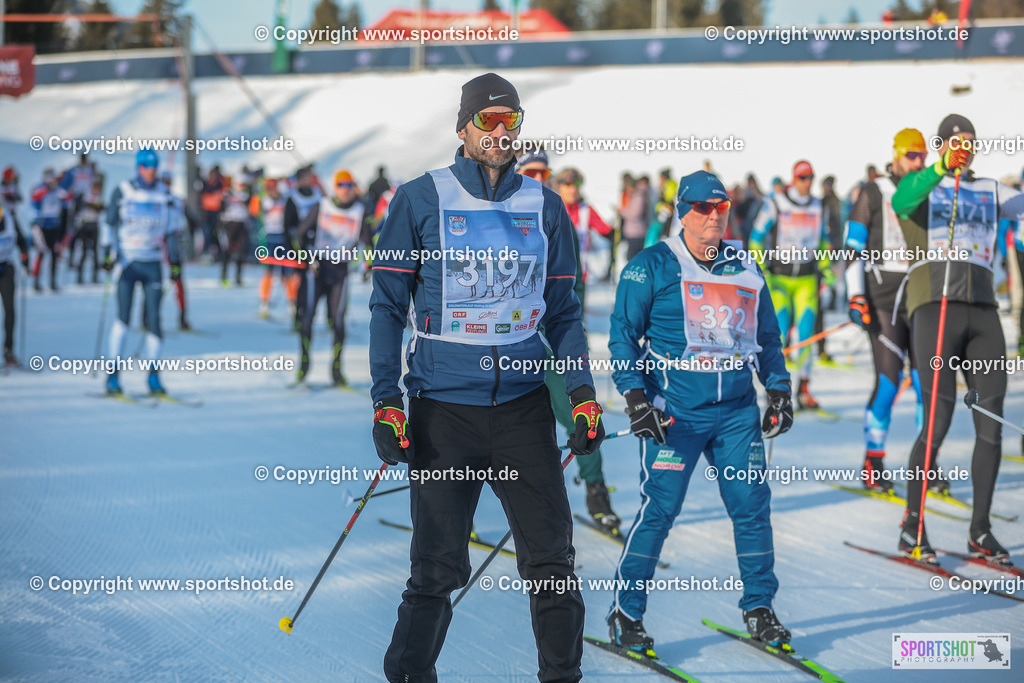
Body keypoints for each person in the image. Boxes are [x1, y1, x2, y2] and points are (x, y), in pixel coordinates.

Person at [369, 72, 604, 683]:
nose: (500, 132)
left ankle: (562, 677)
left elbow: (563, 312)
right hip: (443, 411)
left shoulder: (545, 205)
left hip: (524, 409)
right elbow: (387, 307)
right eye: (488, 121)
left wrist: (580, 393)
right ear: (464, 128)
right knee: (438, 567)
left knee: (552, 560)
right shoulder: (420, 198)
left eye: (511, 121)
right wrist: (385, 401)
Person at [607, 170, 793, 652]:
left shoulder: (745, 265)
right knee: (660, 510)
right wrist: (635, 398)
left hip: (735, 413)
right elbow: (622, 338)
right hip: (676, 415)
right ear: (681, 212)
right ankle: (626, 613)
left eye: (721, 207)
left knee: (752, 508)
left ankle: (760, 607)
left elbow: (767, 338)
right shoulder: (651, 265)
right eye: (703, 208)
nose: (714, 216)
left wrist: (778, 389)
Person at [893, 114, 1024, 562]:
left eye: (970, 141)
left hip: (983, 311)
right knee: (939, 419)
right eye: (955, 141)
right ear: (942, 144)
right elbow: (900, 199)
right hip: (936, 307)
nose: (964, 147)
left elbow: (1020, 204)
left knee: (992, 422)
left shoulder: (988, 188)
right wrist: (938, 167)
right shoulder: (928, 185)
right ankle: (913, 525)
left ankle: (980, 531)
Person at [845, 129, 928, 492]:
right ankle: (873, 460)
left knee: (928, 386)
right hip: (882, 303)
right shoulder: (875, 191)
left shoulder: (928, 190)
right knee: (888, 382)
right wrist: (854, 295)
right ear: (896, 155)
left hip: (921, 300)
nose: (919, 163)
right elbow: (852, 248)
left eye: (923, 156)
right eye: (912, 155)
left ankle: (929, 462)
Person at [548, 164, 619, 531]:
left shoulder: (576, 214)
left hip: (564, 315)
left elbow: (609, 231)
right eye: (565, 183)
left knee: (578, 409)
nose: (570, 189)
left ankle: (596, 493)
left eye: (574, 184)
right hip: (513, 335)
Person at [749, 160, 835, 410]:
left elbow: (823, 241)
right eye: (802, 178)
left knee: (807, 336)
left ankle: (804, 388)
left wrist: (827, 268)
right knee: (779, 333)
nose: (807, 183)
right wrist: (760, 268)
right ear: (793, 179)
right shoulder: (776, 203)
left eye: (810, 178)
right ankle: (775, 388)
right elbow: (755, 238)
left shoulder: (818, 205)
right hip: (779, 280)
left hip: (806, 280)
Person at [102, 149, 182, 397]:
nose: (150, 171)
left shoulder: (164, 194)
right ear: (138, 167)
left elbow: (172, 230)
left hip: (153, 264)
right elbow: (109, 223)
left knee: (155, 320)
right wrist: (107, 252)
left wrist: (175, 261)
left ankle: (154, 376)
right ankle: (113, 375)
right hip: (128, 262)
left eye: (154, 167)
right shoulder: (124, 190)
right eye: (146, 166)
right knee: (123, 318)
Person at [294, 169, 372, 386]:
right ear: (334, 187)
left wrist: (369, 265)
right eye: (341, 185)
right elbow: (299, 235)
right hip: (318, 270)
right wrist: (308, 257)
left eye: (349, 185)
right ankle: (304, 363)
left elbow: (369, 242)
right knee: (307, 317)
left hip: (340, 273)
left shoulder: (360, 211)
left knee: (338, 321)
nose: (345, 190)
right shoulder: (322, 206)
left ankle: (337, 370)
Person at [284, 166, 324, 330]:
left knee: (322, 280)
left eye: (309, 177)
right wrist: (294, 248)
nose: (307, 181)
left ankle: (328, 317)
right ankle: (298, 316)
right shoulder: (293, 197)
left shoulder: (318, 194)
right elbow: (288, 225)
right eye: (304, 178)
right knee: (301, 282)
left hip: (319, 244)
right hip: (300, 246)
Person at [257, 178, 293, 318]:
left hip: (283, 238)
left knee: (288, 274)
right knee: (268, 273)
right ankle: (264, 304)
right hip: (269, 239)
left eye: (273, 187)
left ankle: (292, 305)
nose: (271, 190)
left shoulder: (284, 199)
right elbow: (255, 210)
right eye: (268, 188)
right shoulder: (263, 200)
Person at [0, 199, 30, 365]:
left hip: (5, 268)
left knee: (10, 310)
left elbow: (22, 241)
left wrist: (25, 258)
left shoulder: (10, 219)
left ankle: (9, 351)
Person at [29, 170, 69, 293]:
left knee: (54, 254)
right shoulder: (40, 189)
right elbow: (34, 198)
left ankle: (52, 281)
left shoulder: (58, 190)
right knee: (41, 252)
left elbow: (68, 199)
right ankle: (36, 281)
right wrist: (47, 189)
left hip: (55, 225)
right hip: (42, 225)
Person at [219, 177, 251, 287]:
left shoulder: (247, 195)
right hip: (229, 224)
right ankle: (224, 277)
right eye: (239, 184)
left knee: (241, 252)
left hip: (241, 224)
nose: (241, 186)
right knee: (227, 251)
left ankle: (238, 278)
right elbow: (221, 207)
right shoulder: (228, 193)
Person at [73, 180, 104, 285]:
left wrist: (95, 206)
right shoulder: (86, 196)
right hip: (85, 226)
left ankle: (95, 276)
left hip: (94, 225)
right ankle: (79, 277)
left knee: (95, 252)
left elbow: (101, 208)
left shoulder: (99, 198)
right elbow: (82, 206)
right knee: (84, 252)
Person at [199, 166, 226, 260]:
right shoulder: (206, 184)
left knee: (214, 233)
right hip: (206, 212)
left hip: (215, 212)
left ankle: (217, 252)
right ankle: (207, 251)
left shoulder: (219, 184)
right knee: (207, 232)